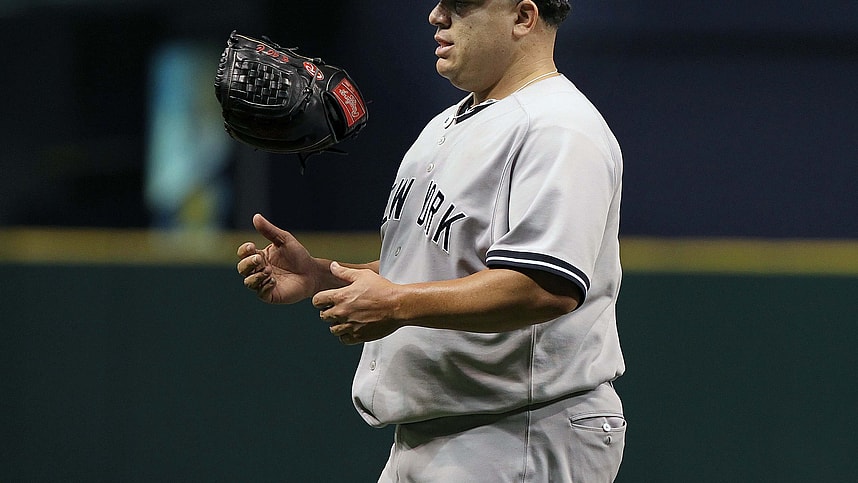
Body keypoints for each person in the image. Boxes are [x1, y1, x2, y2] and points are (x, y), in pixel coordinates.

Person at [237, 0, 627, 481]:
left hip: (521, 432)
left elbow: (545, 286)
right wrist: (325, 274)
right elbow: (438, 266)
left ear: (523, 18)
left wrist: (396, 304)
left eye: (460, 4)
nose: (437, 16)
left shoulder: (559, 128)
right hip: (443, 435)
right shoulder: (448, 123)